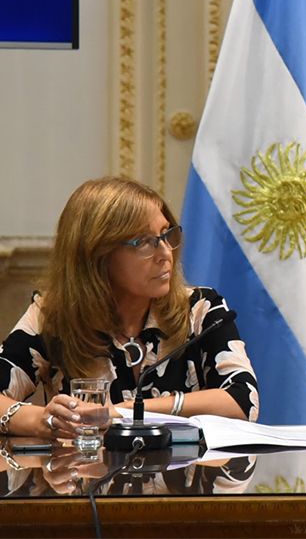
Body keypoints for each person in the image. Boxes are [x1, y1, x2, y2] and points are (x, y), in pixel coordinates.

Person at [0, 177, 259, 440]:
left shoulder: (201, 309)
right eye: (145, 241)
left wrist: (126, 413)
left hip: (184, 478)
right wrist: (44, 421)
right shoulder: (54, 316)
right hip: (86, 476)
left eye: (167, 234)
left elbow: (242, 400)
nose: (166, 253)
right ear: (97, 254)